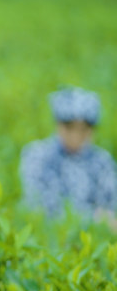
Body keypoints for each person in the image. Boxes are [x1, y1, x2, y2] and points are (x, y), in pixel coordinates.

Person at [20, 86, 117, 221]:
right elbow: (38, 206)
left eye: (84, 129)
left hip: (94, 238)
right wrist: (93, 218)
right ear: (58, 124)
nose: (76, 136)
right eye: (70, 128)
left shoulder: (103, 161)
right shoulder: (37, 155)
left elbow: (109, 209)